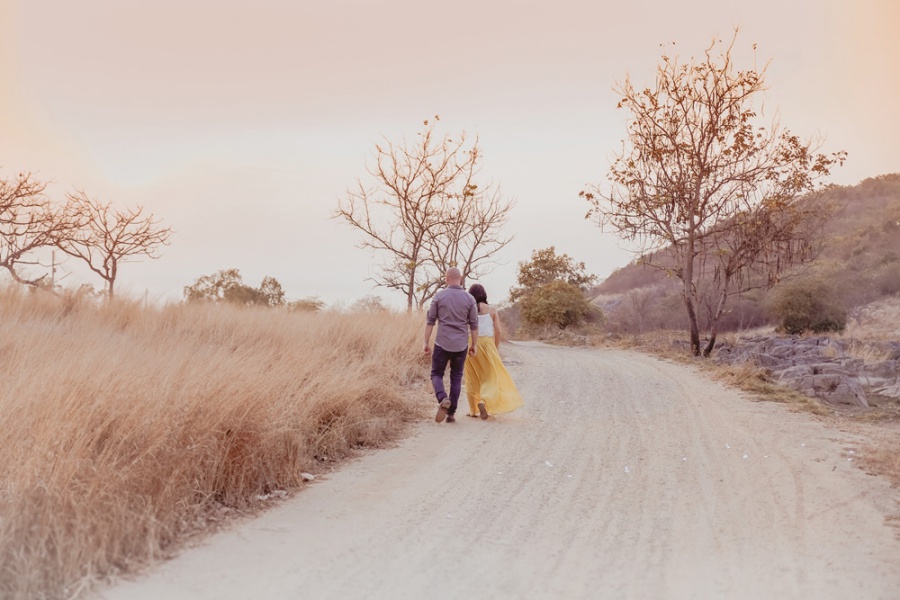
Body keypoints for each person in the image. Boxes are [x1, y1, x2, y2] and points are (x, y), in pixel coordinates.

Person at [423, 267, 478, 423]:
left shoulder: (439, 297)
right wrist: (474, 344)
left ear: (446, 279)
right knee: (456, 377)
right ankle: (451, 413)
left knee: (436, 374)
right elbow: (474, 325)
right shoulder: (469, 299)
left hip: (442, 342)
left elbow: (430, 322)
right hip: (461, 344)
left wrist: (425, 342)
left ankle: (442, 398)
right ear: (460, 278)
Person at [463, 284, 524, 419]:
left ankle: (473, 410)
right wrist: (495, 348)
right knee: (490, 376)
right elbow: (498, 331)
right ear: (484, 294)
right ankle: (484, 401)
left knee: (471, 377)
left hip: (469, 344)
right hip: (486, 345)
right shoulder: (491, 310)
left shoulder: (467, 309)